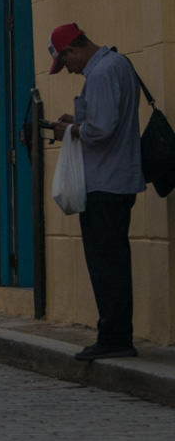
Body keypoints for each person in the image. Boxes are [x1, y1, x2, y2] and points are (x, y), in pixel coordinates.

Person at [46, 22, 146, 360]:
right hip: (118, 178)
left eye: (66, 63)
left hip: (105, 181)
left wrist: (69, 131)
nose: (69, 70)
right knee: (113, 260)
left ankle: (115, 336)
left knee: (106, 264)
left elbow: (101, 130)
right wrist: (76, 121)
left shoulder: (101, 74)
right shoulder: (118, 64)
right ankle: (116, 333)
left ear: (72, 50)